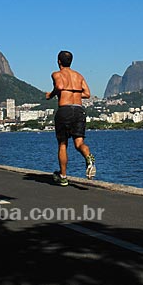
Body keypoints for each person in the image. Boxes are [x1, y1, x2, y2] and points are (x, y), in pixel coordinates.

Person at [46, 50, 96, 186]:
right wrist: (75, 93)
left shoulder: (56, 74)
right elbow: (87, 93)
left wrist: (51, 95)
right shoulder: (78, 76)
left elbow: (60, 86)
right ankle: (88, 158)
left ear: (58, 61)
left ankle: (63, 176)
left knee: (63, 144)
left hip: (65, 110)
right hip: (79, 110)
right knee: (79, 143)